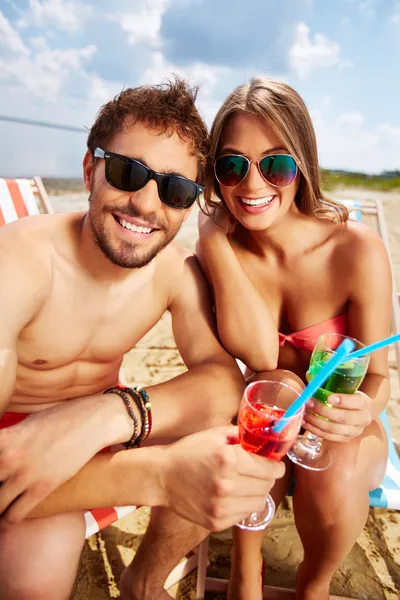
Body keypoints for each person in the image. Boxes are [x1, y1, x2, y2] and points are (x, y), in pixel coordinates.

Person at [0, 78, 285, 600]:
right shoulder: (18, 264)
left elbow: (223, 380)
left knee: (229, 431)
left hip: (102, 424)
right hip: (14, 442)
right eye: (128, 172)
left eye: (176, 190)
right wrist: (157, 474)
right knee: (35, 580)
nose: (146, 205)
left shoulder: (172, 271)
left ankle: (145, 582)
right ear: (90, 170)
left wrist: (109, 414)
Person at [197, 76, 391, 600]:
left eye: (275, 164)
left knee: (338, 462)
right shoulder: (220, 252)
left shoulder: (356, 252)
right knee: (276, 383)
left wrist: (364, 412)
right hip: (265, 416)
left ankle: (314, 584)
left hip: (340, 424)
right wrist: (214, 242)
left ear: (302, 162)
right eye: (232, 165)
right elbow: (261, 355)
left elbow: (378, 378)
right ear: (214, 175)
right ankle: (246, 565)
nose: (252, 185)